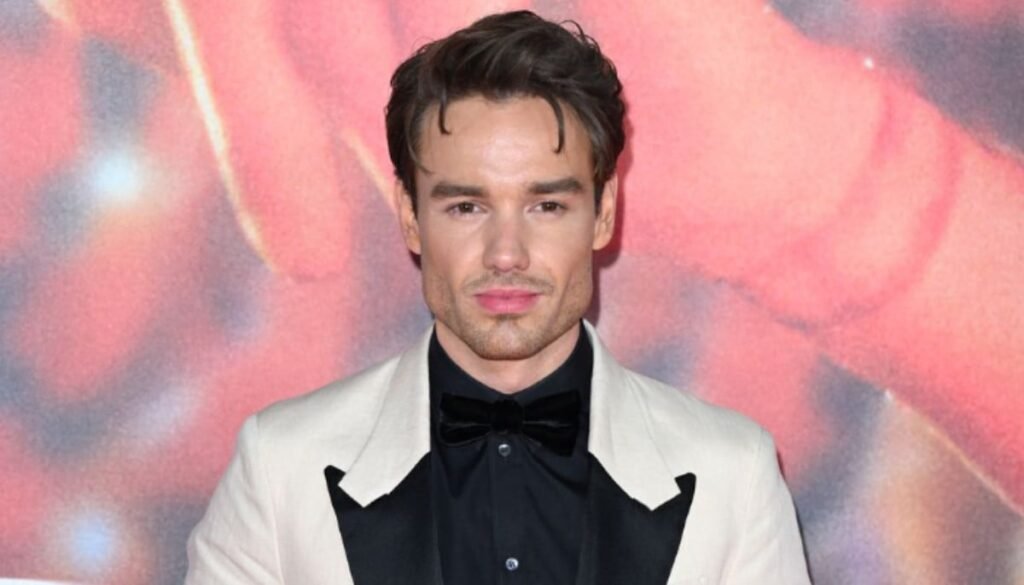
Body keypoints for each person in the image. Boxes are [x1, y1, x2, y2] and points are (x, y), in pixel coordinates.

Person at [185, 10, 811, 585]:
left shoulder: (735, 473)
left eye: (546, 206)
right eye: (466, 206)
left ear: (603, 213)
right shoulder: (279, 465)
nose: (506, 253)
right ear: (410, 217)